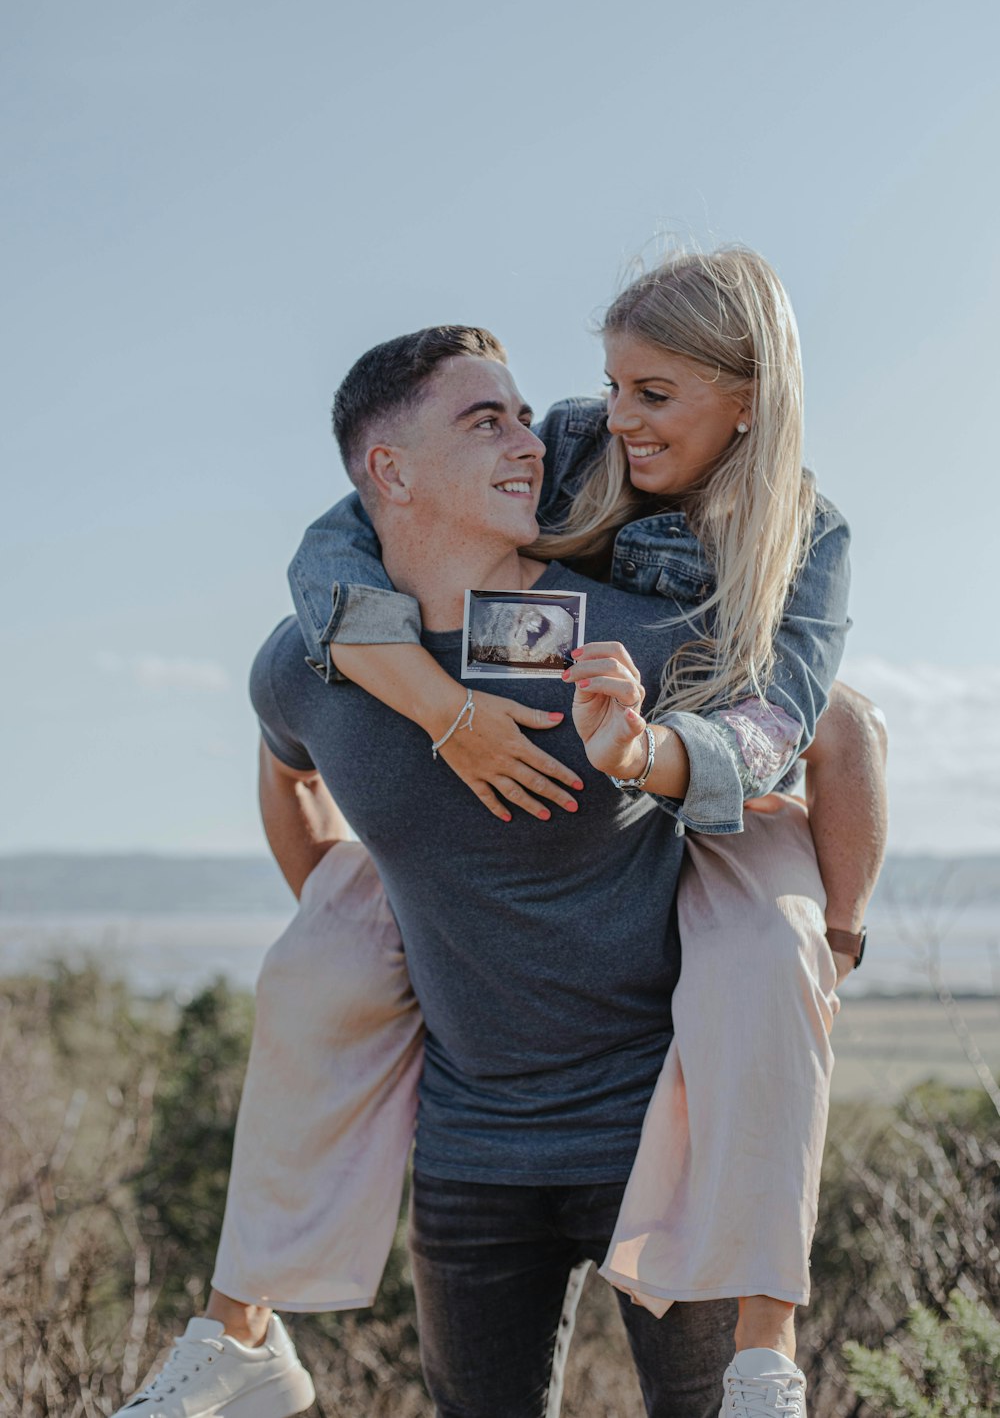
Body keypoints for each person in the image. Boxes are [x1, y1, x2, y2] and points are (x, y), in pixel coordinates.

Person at [112, 260, 882, 1416]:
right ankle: (240, 1335)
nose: (607, 421)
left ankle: (768, 1353)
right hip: (472, 1149)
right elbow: (340, 544)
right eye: (608, 388)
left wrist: (824, 911)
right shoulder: (332, 647)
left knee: (770, 948)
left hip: (653, 1105)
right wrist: (379, 872)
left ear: (749, 396)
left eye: (653, 395)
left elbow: (809, 723)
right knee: (319, 953)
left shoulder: (736, 577)